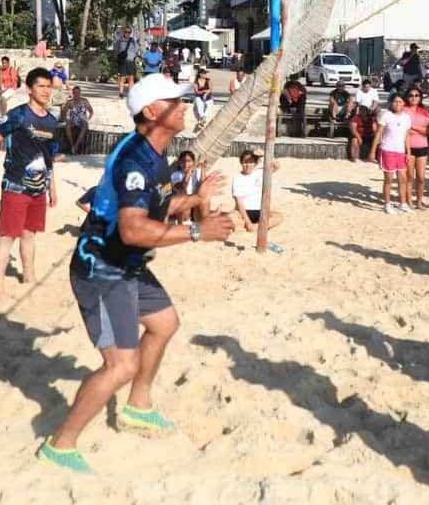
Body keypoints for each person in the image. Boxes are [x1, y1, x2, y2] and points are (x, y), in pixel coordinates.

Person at [39, 74, 234, 473]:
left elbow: (158, 207)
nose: (184, 106)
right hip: (101, 270)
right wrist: (198, 230)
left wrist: (195, 199)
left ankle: (138, 405)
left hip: (127, 265)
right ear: (151, 112)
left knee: (164, 323)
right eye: (175, 102)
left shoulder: (154, 152)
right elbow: (132, 228)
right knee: (121, 365)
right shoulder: (134, 161)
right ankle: (60, 445)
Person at [0, 68, 58, 296]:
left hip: (39, 188)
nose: (46, 91)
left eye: (49, 86)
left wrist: (52, 189)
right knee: (8, 236)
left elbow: (50, 159)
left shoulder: (53, 122)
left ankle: (29, 275)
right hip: (15, 185)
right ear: (29, 89)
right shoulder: (18, 115)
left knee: (30, 234)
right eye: (41, 86)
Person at [369, 93, 413, 214]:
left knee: (403, 178)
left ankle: (403, 203)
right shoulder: (386, 116)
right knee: (388, 178)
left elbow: (407, 136)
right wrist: (373, 151)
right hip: (387, 149)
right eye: (395, 102)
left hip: (401, 151)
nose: (398, 104)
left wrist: (408, 152)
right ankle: (387, 203)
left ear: (404, 103)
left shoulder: (406, 117)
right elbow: (378, 134)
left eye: (400, 102)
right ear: (391, 103)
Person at [231, 149, 283, 232]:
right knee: (230, 217)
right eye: (245, 162)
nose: (248, 165)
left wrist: (265, 154)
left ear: (255, 164)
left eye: (251, 162)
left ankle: (255, 227)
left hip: (260, 211)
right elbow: (239, 203)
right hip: (243, 212)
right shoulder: (237, 179)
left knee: (278, 217)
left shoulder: (260, 173)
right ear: (241, 163)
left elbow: (277, 166)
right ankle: (257, 227)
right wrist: (248, 222)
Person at [405, 88, 429, 209]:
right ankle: (408, 200)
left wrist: (414, 127)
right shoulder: (404, 111)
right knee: (410, 176)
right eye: (411, 95)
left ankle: (419, 201)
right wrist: (420, 129)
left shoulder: (424, 111)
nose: (414, 97)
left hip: (422, 146)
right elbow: (405, 130)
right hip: (408, 146)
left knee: (421, 177)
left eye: (417, 95)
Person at [171, 150, 207, 223]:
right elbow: (182, 187)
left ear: (194, 162)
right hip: (183, 206)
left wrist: (203, 168)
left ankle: (202, 223)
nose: (185, 164)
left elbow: (203, 185)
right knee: (183, 194)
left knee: (203, 195)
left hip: (195, 204)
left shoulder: (198, 172)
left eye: (188, 161)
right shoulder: (176, 174)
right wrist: (190, 171)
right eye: (183, 161)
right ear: (179, 163)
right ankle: (181, 223)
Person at [61, 85, 94, 154]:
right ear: (72, 93)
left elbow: (91, 111)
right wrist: (66, 120)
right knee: (67, 126)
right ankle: (72, 144)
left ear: (80, 93)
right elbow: (63, 113)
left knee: (84, 125)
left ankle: (76, 145)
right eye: (75, 93)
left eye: (78, 92)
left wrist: (88, 119)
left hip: (82, 119)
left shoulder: (84, 101)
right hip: (73, 120)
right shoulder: (70, 102)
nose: (76, 94)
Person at [115, 29, 139, 98]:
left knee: (131, 78)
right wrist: (119, 55)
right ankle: (121, 93)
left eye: (129, 32)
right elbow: (116, 50)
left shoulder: (133, 41)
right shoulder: (119, 40)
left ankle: (131, 93)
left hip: (130, 61)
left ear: (130, 33)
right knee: (122, 78)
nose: (127, 33)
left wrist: (134, 56)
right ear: (124, 33)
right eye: (126, 32)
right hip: (122, 61)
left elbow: (137, 50)